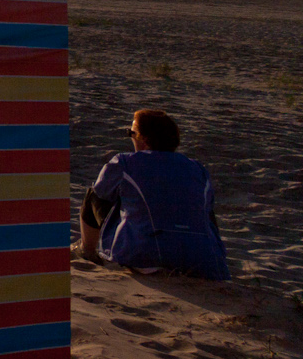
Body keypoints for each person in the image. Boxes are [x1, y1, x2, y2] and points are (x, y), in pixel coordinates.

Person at [77, 108, 229, 280]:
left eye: (131, 133)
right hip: (203, 259)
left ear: (144, 139)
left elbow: (100, 194)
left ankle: (87, 251)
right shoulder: (198, 169)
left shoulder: (125, 163)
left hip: (145, 253)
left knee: (94, 196)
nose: (131, 138)